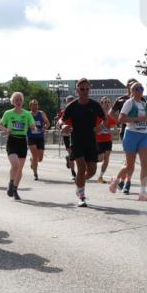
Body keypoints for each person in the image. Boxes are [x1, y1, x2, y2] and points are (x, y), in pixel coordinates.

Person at [59, 78, 104, 207]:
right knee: (81, 166)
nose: (85, 91)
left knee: (92, 170)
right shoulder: (72, 106)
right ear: (77, 90)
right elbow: (61, 120)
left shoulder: (94, 105)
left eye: (87, 89)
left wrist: (101, 126)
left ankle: (79, 182)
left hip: (91, 140)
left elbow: (105, 119)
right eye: (82, 89)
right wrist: (63, 126)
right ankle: (81, 195)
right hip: (77, 139)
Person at [109, 83, 147, 200]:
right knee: (130, 166)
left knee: (145, 163)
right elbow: (121, 119)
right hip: (131, 135)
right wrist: (137, 119)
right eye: (137, 89)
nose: (140, 90)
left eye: (141, 88)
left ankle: (142, 193)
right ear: (131, 91)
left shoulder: (143, 104)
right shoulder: (129, 103)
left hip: (143, 134)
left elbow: (144, 119)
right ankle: (116, 179)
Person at [0, 92, 36, 200]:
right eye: (16, 100)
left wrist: (33, 128)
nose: (18, 102)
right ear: (13, 102)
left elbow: (32, 125)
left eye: (20, 100)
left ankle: (15, 189)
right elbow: (0, 125)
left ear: (22, 101)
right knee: (15, 165)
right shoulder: (8, 113)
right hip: (12, 140)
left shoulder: (27, 114)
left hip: (22, 141)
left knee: (19, 168)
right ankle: (11, 182)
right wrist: (6, 129)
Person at [111, 79, 140, 192]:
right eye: (132, 85)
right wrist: (120, 122)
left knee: (130, 161)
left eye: (138, 86)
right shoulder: (121, 99)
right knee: (129, 161)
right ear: (128, 87)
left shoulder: (140, 99)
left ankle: (122, 181)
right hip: (126, 131)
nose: (136, 88)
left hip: (138, 132)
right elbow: (110, 113)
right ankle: (127, 182)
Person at [26, 99, 49, 180]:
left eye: (36, 105)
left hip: (40, 137)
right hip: (31, 137)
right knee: (35, 156)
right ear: (30, 106)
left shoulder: (41, 113)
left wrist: (44, 128)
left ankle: (32, 160)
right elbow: (24, 124)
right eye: (33, 105)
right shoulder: (28, 114)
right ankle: (35, 174)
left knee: (40, 159)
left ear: (38, 106)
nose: (34, 106)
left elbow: (47, 123)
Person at [95, 97, 116, 183]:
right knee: (100, 159)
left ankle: (100, 176)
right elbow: (94, 126)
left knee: (106, 159)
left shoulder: (110, 116)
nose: (106, 104)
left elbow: (114, 127)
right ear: (101, 104)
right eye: (104, 102)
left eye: (108, 102)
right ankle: (89, 161)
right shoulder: (97, 115)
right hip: (99, 140)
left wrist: (115, 129)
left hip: (108, 139)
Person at [57, 95, 77, 179]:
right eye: (69, 101)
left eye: (72, 101)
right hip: (67, 135)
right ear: (66, 103)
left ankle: (69, 158)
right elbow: (59, 123)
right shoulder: (63, 112)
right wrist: (63, 126)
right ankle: (73, 173)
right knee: (72, 154)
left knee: (76, 154)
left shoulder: (78, 110)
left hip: (76, 134)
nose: (71, 102)